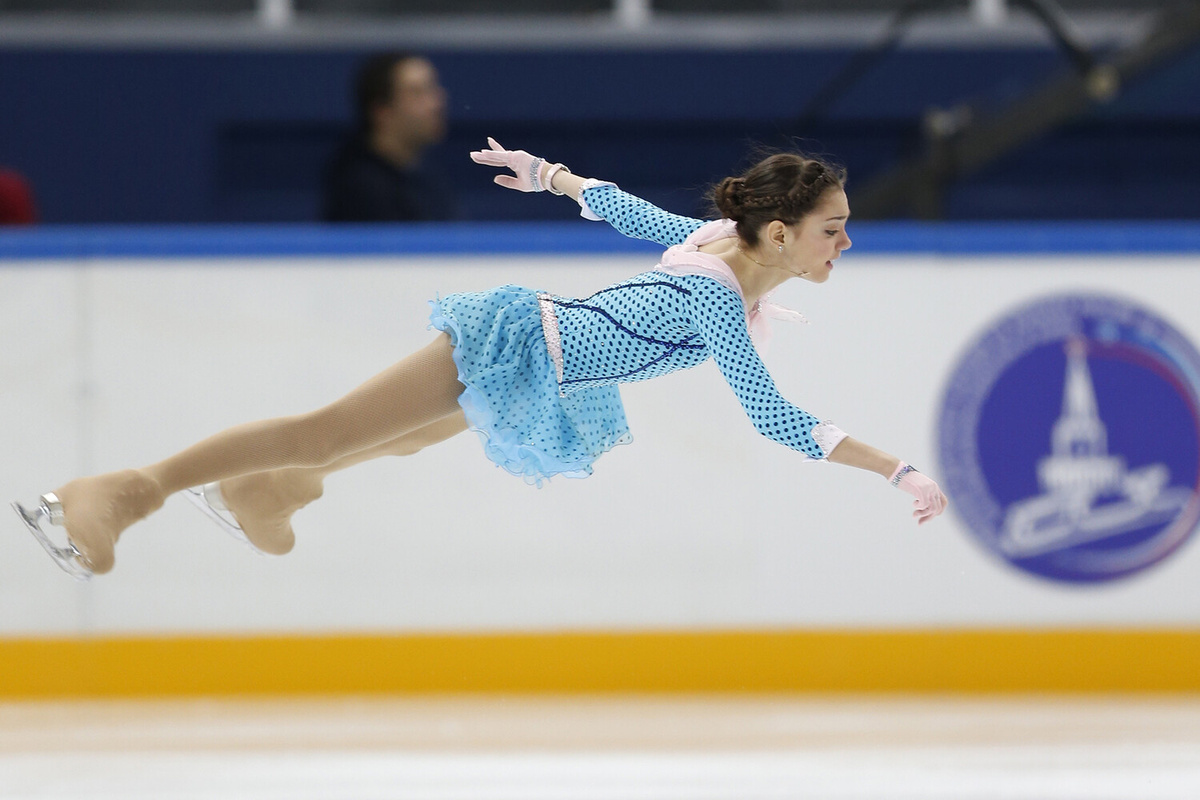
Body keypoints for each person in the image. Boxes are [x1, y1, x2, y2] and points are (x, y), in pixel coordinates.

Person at [13, 139, 948, 580]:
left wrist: (551, 176)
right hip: (513, 341)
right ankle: (126, 491)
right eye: (834, 232)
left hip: (537, 368)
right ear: (781, 233)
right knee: (327, 426)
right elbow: (774, 417)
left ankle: (278, 489)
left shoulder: (717, 248)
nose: (843, 246)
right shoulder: (716, 294)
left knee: (401, 444)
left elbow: (632, 211)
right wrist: (894, 468)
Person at [321, 53, 458, 222]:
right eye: (417, 93)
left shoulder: (429, 180)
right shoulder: (361, 189)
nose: (436, 104)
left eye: (433, 89)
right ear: (381, 111)